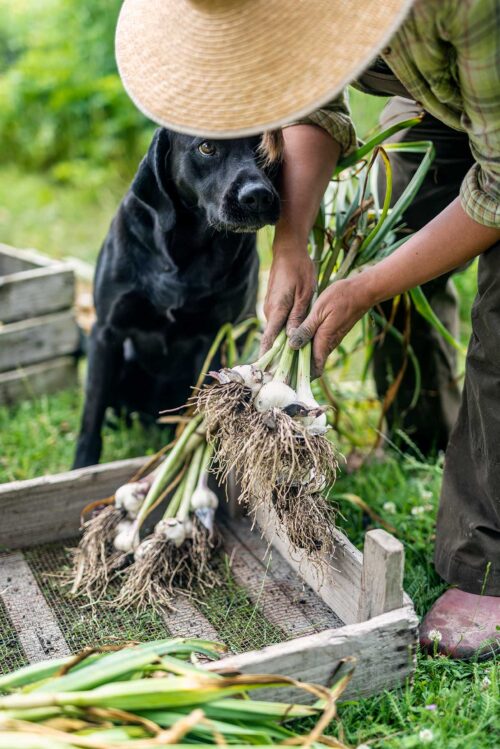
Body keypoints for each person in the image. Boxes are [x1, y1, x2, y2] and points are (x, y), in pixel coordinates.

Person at [115, 0, 500, 658]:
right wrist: (293, 241)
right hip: (441, 94)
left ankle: (486, 560)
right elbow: (317, 106)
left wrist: (366, 285)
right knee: (394, 224)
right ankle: (420, 432)